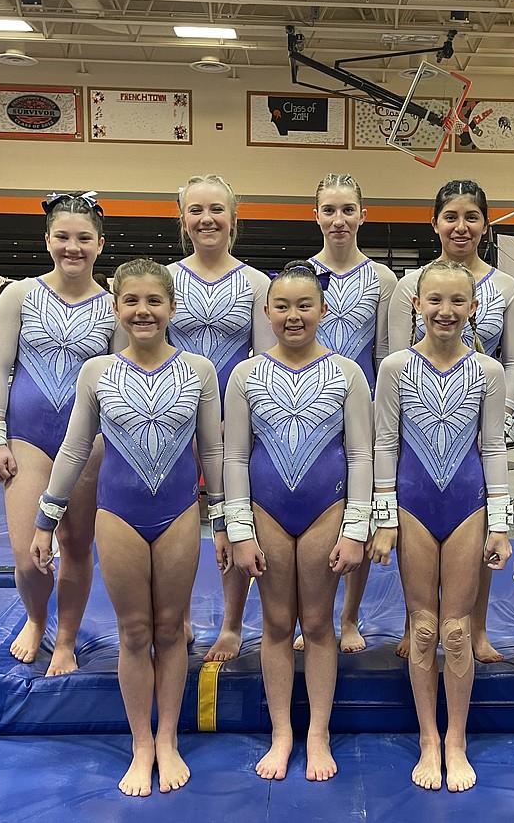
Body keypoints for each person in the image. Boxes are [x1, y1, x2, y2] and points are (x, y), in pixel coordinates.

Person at [31, 259, 223, 797]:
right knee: (134, 631)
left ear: (171, 308)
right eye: (131, 301)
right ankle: (142, 743)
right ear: (116, 308)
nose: (143, 311)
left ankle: (168, 738)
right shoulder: (96, 372)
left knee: (169, 629)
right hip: (117, 514)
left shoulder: (199, 370)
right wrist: (47, 518)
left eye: (154, 301)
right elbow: (74, 449)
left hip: (180, 514)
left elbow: (212, 450)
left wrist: (228, 521)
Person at [225, 261, 373, 782]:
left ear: (323, 311)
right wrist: (239, 529)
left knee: (317, 623)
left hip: (325, 512)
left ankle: (318, 731)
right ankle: (283, 731)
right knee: (275, 623)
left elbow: (360, 455)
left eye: (304, 306)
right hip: (266, 511)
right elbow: (235, 457)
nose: (293, 316)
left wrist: (357, 528)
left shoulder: (347, 373)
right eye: (282, 307)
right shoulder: (245, 374)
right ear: (265, 312)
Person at [370, 260, 512, 793]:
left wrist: (500, 524)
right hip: (412, 509)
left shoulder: (488, 372)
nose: (445, 311)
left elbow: (494, 448)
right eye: (435, 301)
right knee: (423, 629)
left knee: (456, 632)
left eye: (457, 302)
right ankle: (428, 738)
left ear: (473, 308)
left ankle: (456, 739)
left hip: (467, 509)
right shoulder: (395, 368)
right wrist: (383, 521)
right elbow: (386, 445)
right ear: (416, 304)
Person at [0, 191, 122, 675]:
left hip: (89, 443)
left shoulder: (115, 307)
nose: (72, 247)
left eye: (84, 238)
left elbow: (123, 376)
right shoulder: (19, 294)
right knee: (27, 554)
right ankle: (35, 618)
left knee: (78, 547)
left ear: (100, 244)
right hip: (28, 438)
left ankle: (64, 637)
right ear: (47, 240)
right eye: (63, 237)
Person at [387, 179, 514, 664]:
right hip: (420, 410)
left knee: (480, 524)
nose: (460, 226)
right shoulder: (411, 284)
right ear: (435, 223)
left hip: (482, 409)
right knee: (416, 530)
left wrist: (509, 413)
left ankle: (477, 626)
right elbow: (395, 352)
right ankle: (412, 622)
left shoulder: (503, 286)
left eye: (471, 217)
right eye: (451, 216)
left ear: (485, 225)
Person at [167, 174, 276, 664]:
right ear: (182, 218)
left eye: (216, 209)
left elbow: (261, 362)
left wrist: (239, 425)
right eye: (195, 210)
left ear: (234, 218)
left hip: (234, 425)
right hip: (168, 419)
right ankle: (179, 614)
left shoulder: (256, 284)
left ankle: (231, 625)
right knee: (176, 522)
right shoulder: (167, 279)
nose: (206, 219)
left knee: (233, 518)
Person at [303, 173, 396, 655]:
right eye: (329, 210)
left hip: (360, 410)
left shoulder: (382, 279)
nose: (338, 220)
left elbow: (384, 354)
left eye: (347, 210)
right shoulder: (298, 273)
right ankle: (312, 612)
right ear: (315, 216)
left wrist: (384, 419)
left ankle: (350, 614)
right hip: (307, 412)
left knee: (356, 510)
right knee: (315, 510)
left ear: (363, 215)